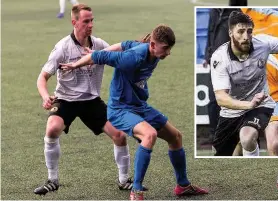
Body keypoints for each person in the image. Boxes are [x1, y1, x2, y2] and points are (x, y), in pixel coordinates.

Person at [60, 24, 208, 200]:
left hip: (138, 106)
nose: (168, 53)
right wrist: (75, 65)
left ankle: (183, 185)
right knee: (149, 135)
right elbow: (98, 56)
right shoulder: (132, 58)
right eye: (166, 48)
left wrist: (106, 49)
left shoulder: (148, 50)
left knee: (175, 136)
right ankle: (136, 190)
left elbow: (123, 44)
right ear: (153, 45)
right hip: (120, 109)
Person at [34, 4, 135, 195]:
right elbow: (42, 77)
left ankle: (124, 180)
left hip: (91, 101)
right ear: (75, 22)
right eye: (86, 21)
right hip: (66, 99)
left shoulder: (99, 45)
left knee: (120, 135)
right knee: (52, 128)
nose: (91, 25)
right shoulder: (62, 47)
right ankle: (52, 180)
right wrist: (46, 96)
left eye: (92, 20)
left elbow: (121, 57)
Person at [210, 11, 278, 156]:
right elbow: (221, 98)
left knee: (247, 137)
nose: (246, 37)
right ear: (230, 32)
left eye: (249, 31)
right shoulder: (219, 58)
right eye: (240, 32)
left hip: (262, 103)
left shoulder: (263, 43)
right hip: (233, 109)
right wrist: (248, 105)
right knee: (219, 154)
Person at [236, 8, 278, 156]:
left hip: (275, 97)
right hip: (249, 94)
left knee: (274, 143)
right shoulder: (274, 24)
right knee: (244, 140)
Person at [201, 8, 242, 146]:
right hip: (215, 62)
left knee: (232, 99)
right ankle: (214, 135)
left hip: (232, 62)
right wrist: (207, 55)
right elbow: (209, 33)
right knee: (213, 101)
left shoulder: (236, 11)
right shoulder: (213, 11)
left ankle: (234, 135)